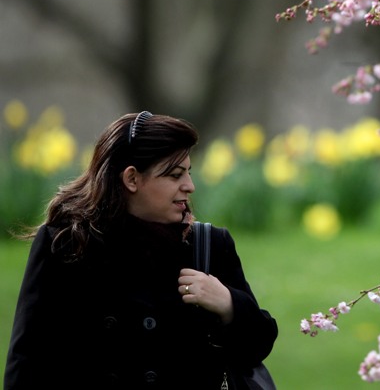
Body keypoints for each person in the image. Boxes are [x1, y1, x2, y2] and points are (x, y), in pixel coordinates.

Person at [4, 111, 278, 389]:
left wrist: (229, 304)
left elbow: (257, 348)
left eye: (189, 173)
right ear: (132, 179)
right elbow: (26, 365)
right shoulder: (66, 245)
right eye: (175, 175)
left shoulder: (208, 246)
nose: (190, 186)